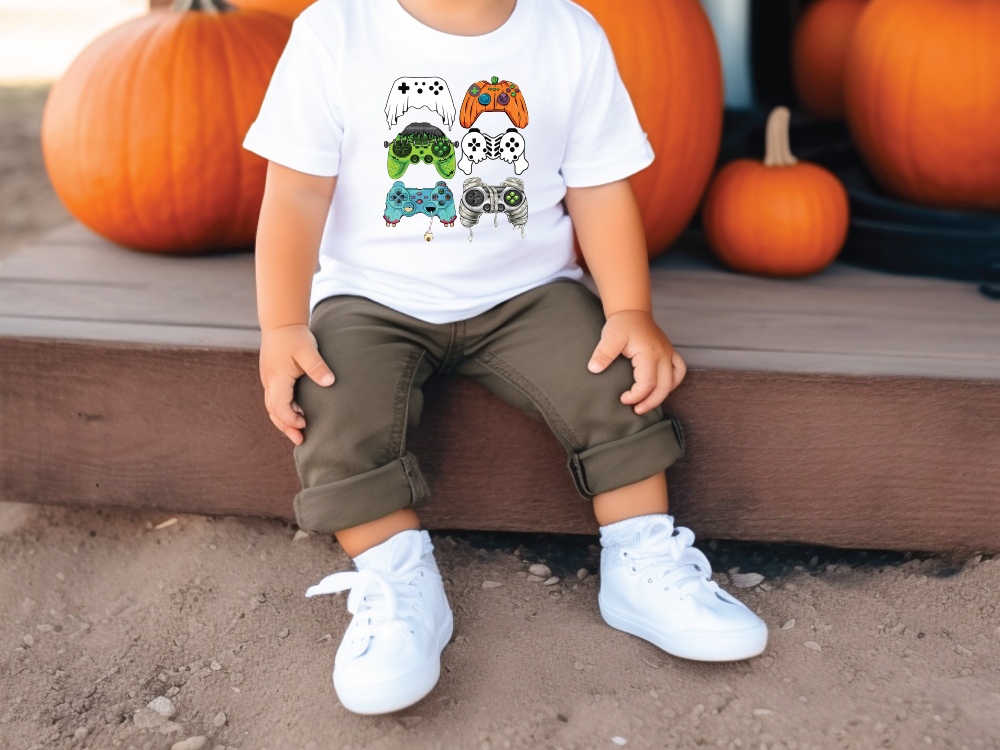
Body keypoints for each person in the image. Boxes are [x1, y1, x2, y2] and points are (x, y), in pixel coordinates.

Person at [243, 0, 768, 716]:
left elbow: (599, 187)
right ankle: (398, 585)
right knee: (333, 402)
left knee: (614, 379)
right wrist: (281, 326)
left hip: (528, 294)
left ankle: (641, 561)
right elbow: (297, 191)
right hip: (371, 297)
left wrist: (629, 311)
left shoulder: (569, 34)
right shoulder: (335, 31)